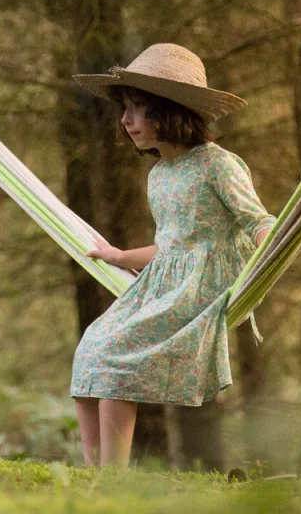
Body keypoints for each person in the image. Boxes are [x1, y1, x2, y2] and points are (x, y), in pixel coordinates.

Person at [71, 43, 276, 468]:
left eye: (139, 107)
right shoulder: (159, 174)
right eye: (125, 108)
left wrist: (269, 257)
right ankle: (95, 478)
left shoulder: (218, 165)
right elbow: (171, 246)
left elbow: (260, 222)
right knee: (92, 346)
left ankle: (112, 481)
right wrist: (120, 255)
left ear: (172, 111)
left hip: (204, 287)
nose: (127, 120)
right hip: (165, 281)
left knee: (114, 358)